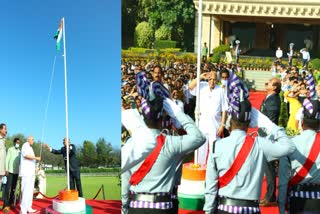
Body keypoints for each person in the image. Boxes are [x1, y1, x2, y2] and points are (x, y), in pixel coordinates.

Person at [121, 71, 206, 214]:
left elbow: (125, 179)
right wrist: (177, 113)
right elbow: (199, 138)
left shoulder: (132, 142)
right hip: (163, 207)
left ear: (143, 116)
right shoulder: (171, 143)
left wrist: (124, 207)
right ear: (162, 119)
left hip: (136, 206)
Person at [203, 94, 295, 214]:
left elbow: (210, 187)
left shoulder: (217, 146)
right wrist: (269, 125)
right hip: (251, 209)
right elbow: (289, 147)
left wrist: (208, 211)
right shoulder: (260, 144)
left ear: (230, 121)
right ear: (250, 122)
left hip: (224, 208)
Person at [278, 99, 320, 214]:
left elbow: (283, 182)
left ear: (301, 122)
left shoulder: (289, 144)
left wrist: (282, 208)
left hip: (297, 200)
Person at [189, 71, 228, 164]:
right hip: (202, 124)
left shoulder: (221, 90)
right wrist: (200, 76)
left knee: (215, 150)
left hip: (215, 126)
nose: (212, 81)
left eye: (214, 79)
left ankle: (214, 170)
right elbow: (190, 87)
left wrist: (222, 125)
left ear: (217, 80)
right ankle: (200, 168)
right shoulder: (202, 86)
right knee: (201, 150)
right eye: (210, 79)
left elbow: (224, 109)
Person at [259, 78, 281, 206]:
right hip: (264, 135)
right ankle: (270, 195)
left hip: (268, 138)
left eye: (270, 82)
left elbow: (270, 121)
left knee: (269, 168)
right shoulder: (270, 98)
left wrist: (265, 137)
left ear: (274, 87)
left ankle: (270, 196)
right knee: (267, 167)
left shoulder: (273, 100)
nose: (266, 83)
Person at [19, 136, 41, 214]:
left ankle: (29, 207)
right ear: (28, 139)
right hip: (26, 172)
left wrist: (35, 168)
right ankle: (23, 210)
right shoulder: (25, 145)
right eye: (32, 139)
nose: (33, 141)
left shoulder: (31, 148)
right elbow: (26, 156)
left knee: (30, 191)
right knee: (25, 191)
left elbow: (31, 161)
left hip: (31, 172)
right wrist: (36, 158)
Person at [2, 138, 21, 211]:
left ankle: (11, 203)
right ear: (14, 142)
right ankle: (5, 204)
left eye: (19, 143)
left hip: (16, 172)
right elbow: (7, 159)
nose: (18, 144)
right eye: (17, 142)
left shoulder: (20, 152)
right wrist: (6, 169)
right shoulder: (10, 149)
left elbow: (20, 163)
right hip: (9, 171)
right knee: (7, 188)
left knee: (13, 189)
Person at [0, 123, 7, 191]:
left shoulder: (3, 140)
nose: (6, 130)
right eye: (5, 129)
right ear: (0, 129)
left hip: (1, 169)